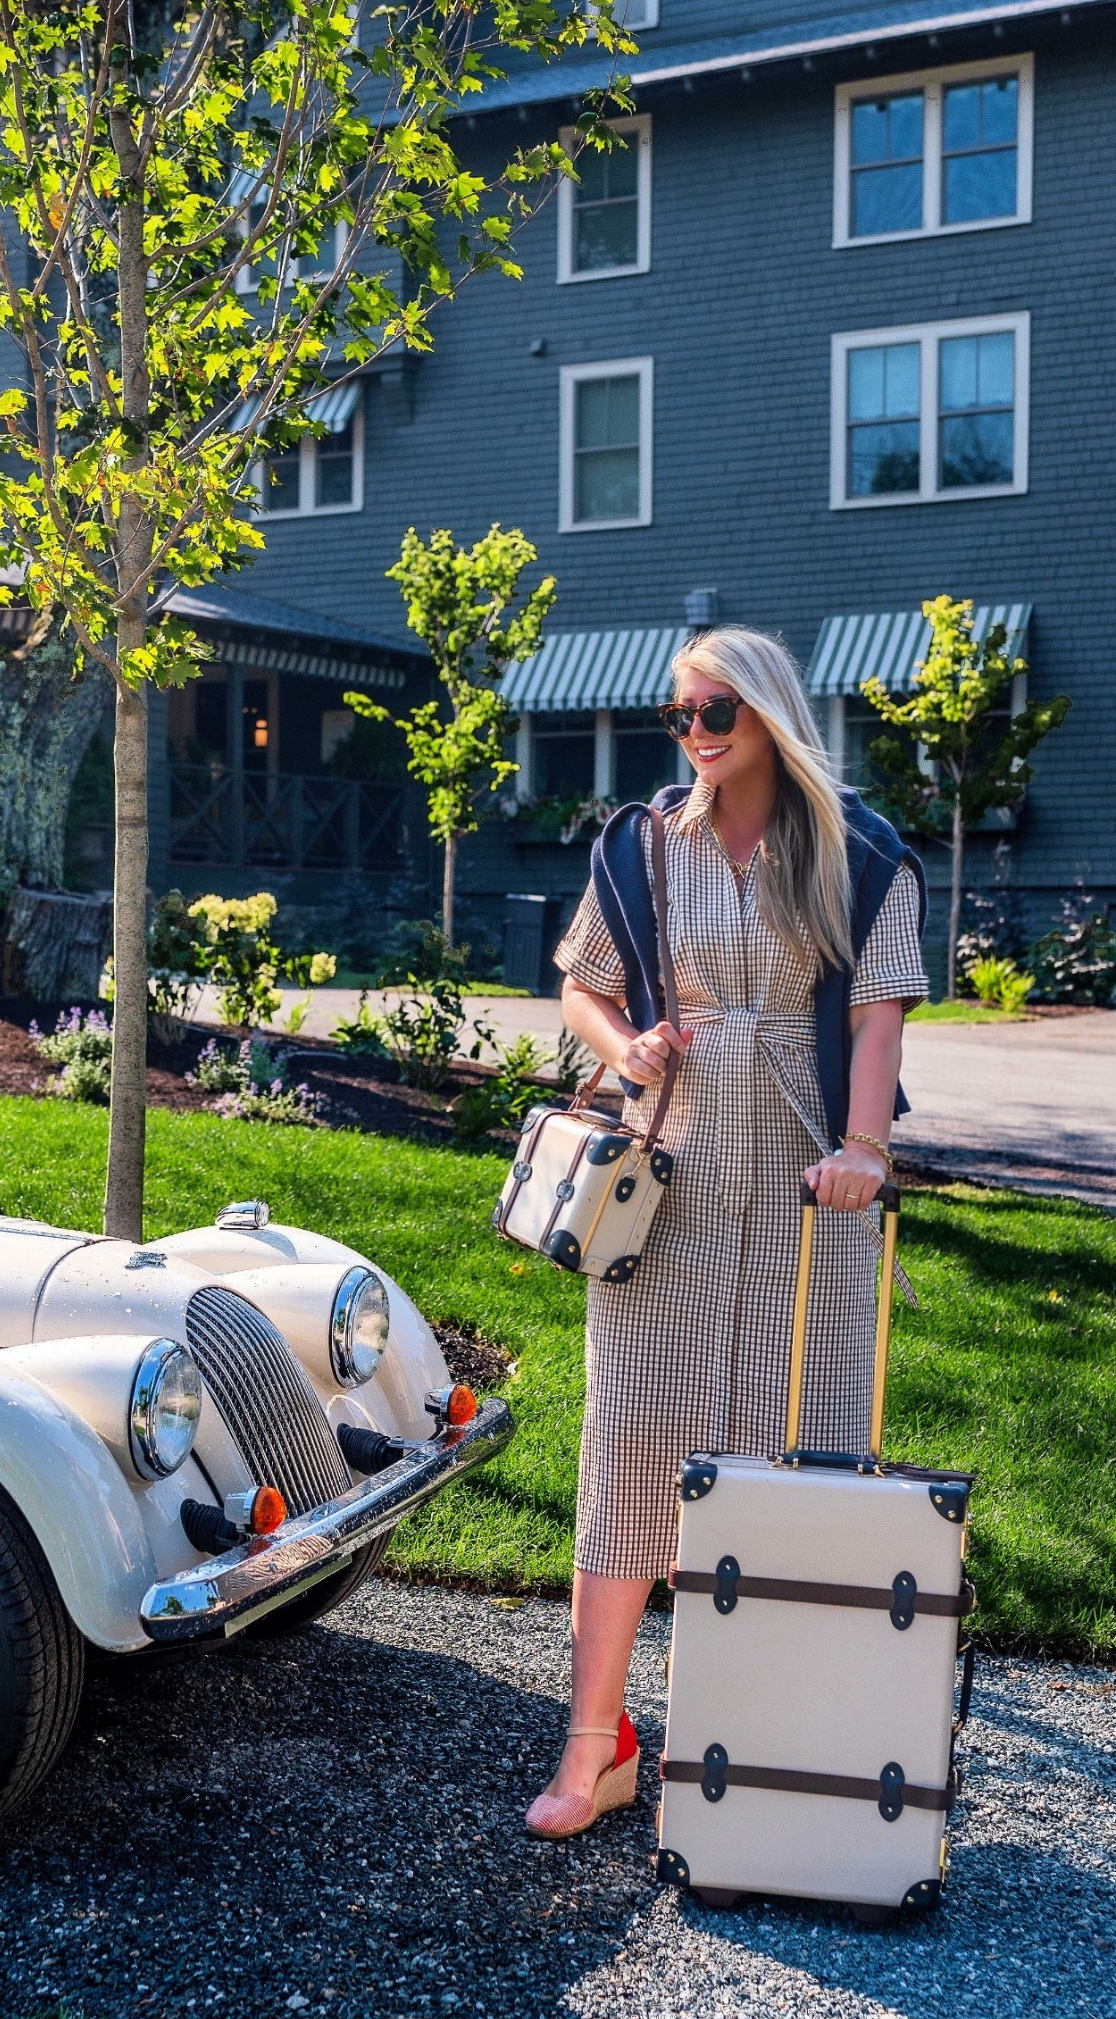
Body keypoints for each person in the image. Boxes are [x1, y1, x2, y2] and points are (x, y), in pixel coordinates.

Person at [523, 625, 930, 1841]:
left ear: (767, 714)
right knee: (632, 1445)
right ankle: (597, 1742)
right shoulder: (645, 846)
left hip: (814, 1196)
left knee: (798, 1454)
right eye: (679, 716)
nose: (694, 735)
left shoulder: (858, 849)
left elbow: (876, 1012)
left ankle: (772, 1746)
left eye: (716, 714)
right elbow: (581, 983)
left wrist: (865, 1149)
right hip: (671, 1181)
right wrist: (624, 1043)